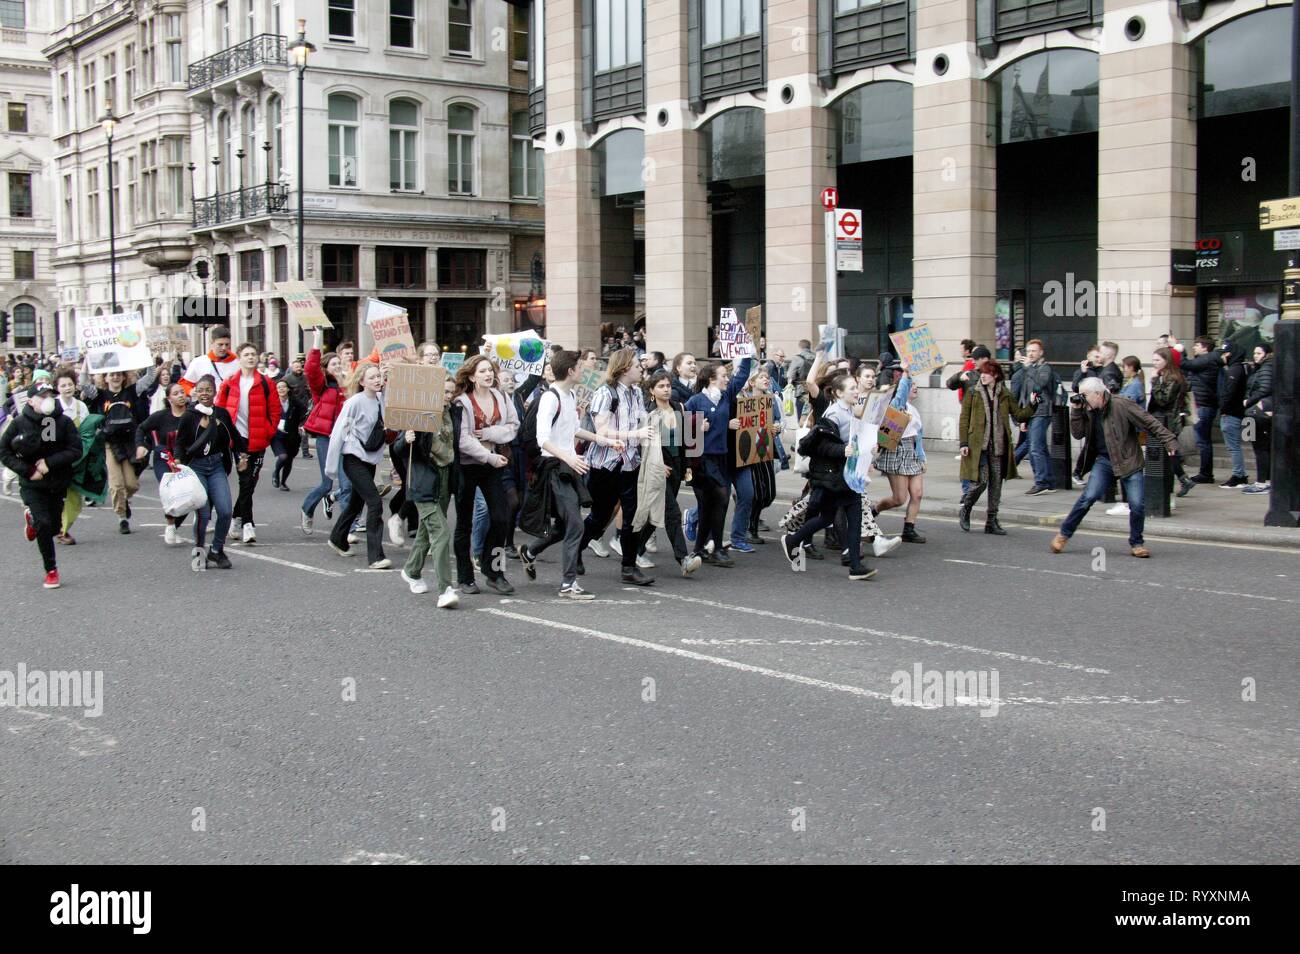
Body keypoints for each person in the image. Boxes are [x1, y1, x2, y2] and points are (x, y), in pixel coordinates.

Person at [519, 349, 624, 599]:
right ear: (570, 371)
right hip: (554, 469)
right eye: (579, 366)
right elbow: (542, 439)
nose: (583, 370)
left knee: (565, 526)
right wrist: (569, 459)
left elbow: (575, 429)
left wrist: (604, 440)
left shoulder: (571, 394)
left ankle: (530, 552)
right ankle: (568, 585)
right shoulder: (550, 398)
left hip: (568, 466)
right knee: (575, 524)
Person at [1051, 377, 1178, 558]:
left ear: (1098, 394)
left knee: (1137, 504)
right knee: (1088, 497)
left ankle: (1137, 543)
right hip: (1104, 461)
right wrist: (1076, 412)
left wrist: (1169, 441)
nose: (1081, 398)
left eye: (1084, 395)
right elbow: (1078, 434)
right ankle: (1064, 534)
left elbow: (1149, 421)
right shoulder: (1087, 410)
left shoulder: (1122, 405)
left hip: (1128, 459)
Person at [780, 373, 875, 581]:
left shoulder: (849, 410)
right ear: (839, 392)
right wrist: (843, 450)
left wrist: (865, 453)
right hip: (832, 476)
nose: (856, 391)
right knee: (836, 516)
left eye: (855, 387)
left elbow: (852, 441)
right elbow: (823, 446)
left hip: (844, 475)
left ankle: (854, 565)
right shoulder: (833, 414)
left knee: (836, 516)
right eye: (851, 388)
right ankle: (854, 565)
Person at [579, 348, 654, 585]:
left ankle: (628, 568)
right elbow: (602, 431)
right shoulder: (605, 393)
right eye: (636, 365)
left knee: (632, 516)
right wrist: (636, 433)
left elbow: (643, 421)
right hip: (605, 465)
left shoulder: (636, 393)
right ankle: (575, 550)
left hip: (630, 463)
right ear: (623, 369)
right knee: (600, 517)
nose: (641, 368)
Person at [0, 380, 81, 588]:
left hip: (57, 482)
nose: (47, 400)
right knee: (44, 524)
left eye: (50, 396)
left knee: (53, 527)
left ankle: (32, 521)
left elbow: (75, 450)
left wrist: (49, 464)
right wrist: (28, 470)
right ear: (31, 401)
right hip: (32, 485)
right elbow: (4, 451)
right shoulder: (19, 422)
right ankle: (51, 570)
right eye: (42, 396)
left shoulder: (63, 421)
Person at [453, 355, 519, 595]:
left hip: (493, 462)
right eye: (482, 371)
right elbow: (463, 440)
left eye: (490, 370)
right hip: (468, 466)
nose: (488, 375)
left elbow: (513, 426)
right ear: (472, 376)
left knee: (501, 517)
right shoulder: (462, 402)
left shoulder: (501, 397)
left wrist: (490, 433)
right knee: (464, 522)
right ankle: (465, 577)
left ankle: (495, 572)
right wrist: (489, 456)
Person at [394, 373, 460, 608]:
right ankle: (445, 589)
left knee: (426, 530)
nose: (448, 396)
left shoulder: (453, 413)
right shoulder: (420, 415)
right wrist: (407, 439)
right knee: (440, 532)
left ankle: (411, 570)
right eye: (444, 391)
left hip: (444, 478)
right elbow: (398, 447)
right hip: (424, 480)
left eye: (451, 392)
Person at [632, 369, 703, 577]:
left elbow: (687, 441)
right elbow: (642, 446)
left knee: (656, 515)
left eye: (668, 386)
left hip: (676, 467)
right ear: (652, 391)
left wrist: (688, 465)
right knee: (672, 512)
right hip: (657, 468)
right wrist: (657, 465)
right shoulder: (648, 414)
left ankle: (633, 549)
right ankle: (684, 559)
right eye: (661, 386)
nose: (666, 390)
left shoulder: (678, 408)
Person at [685, 355, 753, 567]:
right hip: (701, 459)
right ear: (711, 379)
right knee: (722, 497)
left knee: (707, 504)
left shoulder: (725, 396)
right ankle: (717, 548)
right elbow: (684, 433)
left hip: (721, 457)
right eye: (723, 376)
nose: (727, 379)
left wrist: (746, 354)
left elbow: (742, 376)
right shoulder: (695, 401)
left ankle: (699, 549)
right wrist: (697, 427)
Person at [958, 358, 1038, 534]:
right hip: (979, 446)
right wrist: (963, 442)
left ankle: (991, 521)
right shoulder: (973, 393)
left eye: (987, 373)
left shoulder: (1005, 394)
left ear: (995, 375)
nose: (984, 376)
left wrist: (1033, 405)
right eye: (982, 373)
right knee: (981, 482)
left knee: (996, 485)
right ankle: (966, 508)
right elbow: (964, 419)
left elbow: (1018, 415)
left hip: (999, 446)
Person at [325, 364, 391, 569]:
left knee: (355, 503)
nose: (377, 380)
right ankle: (376, 556)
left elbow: (392, 410)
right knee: (375, 502)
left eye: (379, 376)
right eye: (372, 377)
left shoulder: (381, 399)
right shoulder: (354, 402)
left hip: (370, 459)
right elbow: (337, 434)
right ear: (361, 381)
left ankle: (337, 538)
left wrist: (391, 376)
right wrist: (331, 468)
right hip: (353, 458)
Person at [216, 343, 282, 544]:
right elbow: (219, 410)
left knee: (250, 483)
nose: (251, 358)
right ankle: (247, 524)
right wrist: (224, 433)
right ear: (239, 358)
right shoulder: (229, 383)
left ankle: (236, 519)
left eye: (253, 354)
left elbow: (275, 410)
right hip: (238, 440)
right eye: (246, 354)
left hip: (258, 438)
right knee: (245, 480)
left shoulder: (265, 383)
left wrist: (269, 432)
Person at [176, 375, 236, 569]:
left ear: (215, 392)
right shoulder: (189, 415)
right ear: (195, 392)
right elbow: (181, 443)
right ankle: (199, 551)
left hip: (217, 465)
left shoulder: (222, 414)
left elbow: (233, 436)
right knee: (203, 513)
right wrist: (177, 460)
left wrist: (244, 454)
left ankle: (217, 551)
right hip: (197, 467)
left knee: (226, 511)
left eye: (208, 390)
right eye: (200, 390)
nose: (204, 394)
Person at [81, 367, 149, 534]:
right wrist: (86, 362)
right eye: (112, 375)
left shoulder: (132, 392)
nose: (116, 377)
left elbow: (150, 377)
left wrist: (147, 356)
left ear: (124, 377)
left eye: (119, 374)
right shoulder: (100, 395)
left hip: (129, 443)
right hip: (110, 444)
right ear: (105, 378)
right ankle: (122, 518)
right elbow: (82, 382)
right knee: (116, 484)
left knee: (131, 485)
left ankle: (125, 500)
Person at [874, 357, 927, 543]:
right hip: (896, 451)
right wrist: (906, 374)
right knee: (899, 498)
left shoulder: (914, 410)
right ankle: (874, 510)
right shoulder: (895, 406)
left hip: (911, 452)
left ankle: (909, 529)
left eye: (915, 385)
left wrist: (922, 457)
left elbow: (918, 437)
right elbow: (901, 395)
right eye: (911, 385)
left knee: (918, 493)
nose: (915, 387)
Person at [300, 331, 349, 533]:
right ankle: (307, 508)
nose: (338, 367)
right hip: (326, 438)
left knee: (348, 484)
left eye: (340, 363)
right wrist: (317, 340)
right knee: (327, 484)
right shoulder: (321, 386)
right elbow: (311, 368)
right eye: (333, 364)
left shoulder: (350, 385)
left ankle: (348, 528)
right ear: (326, 369)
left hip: (346, 440)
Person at [135, 381, 192, 545]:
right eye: (176, 393)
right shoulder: (161, 417)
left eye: (182, 392)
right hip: (164, 460)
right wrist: (141, 445)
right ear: (169, 399)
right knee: (172, 492)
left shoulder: (192, 415)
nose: (181, 395)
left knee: (189, 497)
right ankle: (170, 524)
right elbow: (141, 428)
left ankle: (174, 526)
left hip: (185, 462)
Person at [1010, 339, 1061, 495]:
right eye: (1029, 351)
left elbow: (1041, 384)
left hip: (1042, 411)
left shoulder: (1045, 368)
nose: (1030, 354)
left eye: (1034, 351)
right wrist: (1023, 418)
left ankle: (1041, 482)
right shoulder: (1028, 370)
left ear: (1041, 353)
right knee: (1040, 448)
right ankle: (1050, 481)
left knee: (1035, 448)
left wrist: (1029, 369)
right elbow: (1025, 394)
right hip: (1032, 411)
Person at [1147, 346, 1194, 499]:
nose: (1154, 363)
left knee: (1169, 453)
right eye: (1153, 360)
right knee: (1168, 454)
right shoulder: (1164, 376)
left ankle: (1181, 480)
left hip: (1168, 421)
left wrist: (1154, 382)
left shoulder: (1173, 378)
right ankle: (1180, 481)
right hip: (1161, 420)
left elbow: (1164, 400)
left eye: (1157, 360)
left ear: (1166, 361)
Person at [52, 369, 92, 545]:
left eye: (70, 384)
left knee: (75, 497)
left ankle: (63, 530)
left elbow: (87, 430)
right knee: (54, 495)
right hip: (56, 458)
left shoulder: (80, 406)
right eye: (63, 385)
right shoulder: (51, 406)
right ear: (57, 388)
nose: (67, 388)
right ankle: (39, 519)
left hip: (76, 457)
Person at [1180, 336, 1221, 484]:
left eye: (1197, 345)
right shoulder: (1207, 360)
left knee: (1203, 441)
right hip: (1203, 404)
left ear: (1205, 347)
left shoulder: (1207, 359)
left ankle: (1205, 473)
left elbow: (1185, 364)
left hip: (1203, 405)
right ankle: (1206, 473)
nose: (1194, 347)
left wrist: (1180, 350)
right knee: (1204, 440)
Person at [1241, 343, 1274, 495]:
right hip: (1256, 413)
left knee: (1260, 448)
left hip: (1258, 412)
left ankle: (1262, 482)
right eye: (1254, 353)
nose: (1255, 356)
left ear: (1267, 354)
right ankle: (1264, 481)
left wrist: (1249, 401)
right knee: (1260, 447)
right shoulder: (1262, 367)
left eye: (1259, 353)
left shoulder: (1267, 367)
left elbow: (1265, 388)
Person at [1216, 340, 1251, 488]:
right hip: (1235, 413)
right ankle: (1239, 474)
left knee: (1233, 446)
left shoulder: (1234, 371)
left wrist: (1223, 410)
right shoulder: (1238, 369)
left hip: (1231, 414)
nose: (1222, 356)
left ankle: (1238, 475)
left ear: (1230, 354)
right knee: (1234, 445)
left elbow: (1229, 394)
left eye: (1224, 353)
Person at [180, 326, 239, 395]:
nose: (224, 348)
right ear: (212, 342)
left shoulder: (238, 362)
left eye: (227, 344)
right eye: (220, 344)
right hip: (206, 404)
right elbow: (184, 384)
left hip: (230, 404)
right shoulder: (198, 362)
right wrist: (191, 391)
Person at [270, 378, 305, 492]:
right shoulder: (272, 401)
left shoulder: (295, 402)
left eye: (283, 386)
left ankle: (283, 482)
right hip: (277, 435)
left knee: (289, 460)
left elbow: (305, 413)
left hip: (292, 436)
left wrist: (301, 425)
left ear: (288, 389)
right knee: (283, 456)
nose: (281, 389)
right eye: (279, 387)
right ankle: (275, 473)